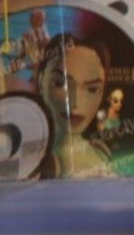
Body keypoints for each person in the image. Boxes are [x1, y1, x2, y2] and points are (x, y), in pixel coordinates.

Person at [35, 33, 114, 177]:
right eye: (60, 84)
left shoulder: (101, 150)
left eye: (92, 89)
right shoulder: (40, 161)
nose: (75, 103)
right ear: (41, 83)